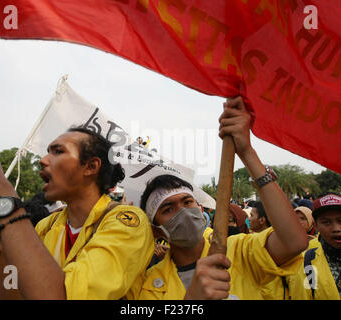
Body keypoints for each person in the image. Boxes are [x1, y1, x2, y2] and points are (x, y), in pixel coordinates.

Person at [0, 113, 154, 300]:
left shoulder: (127, 222)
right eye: (47, 151)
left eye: (58, 151)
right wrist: (0, 253)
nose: (43, 160)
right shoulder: (46, 226)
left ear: (91, 166)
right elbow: (11, 292)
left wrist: (0, 188)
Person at [127, 96, 308, 300]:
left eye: (187, 202)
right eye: (168, 208)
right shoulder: (149, 286)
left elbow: (295, 242)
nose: (183, 212)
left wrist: (247, 152)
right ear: (156, 230)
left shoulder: (239, 251)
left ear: (200, 209)